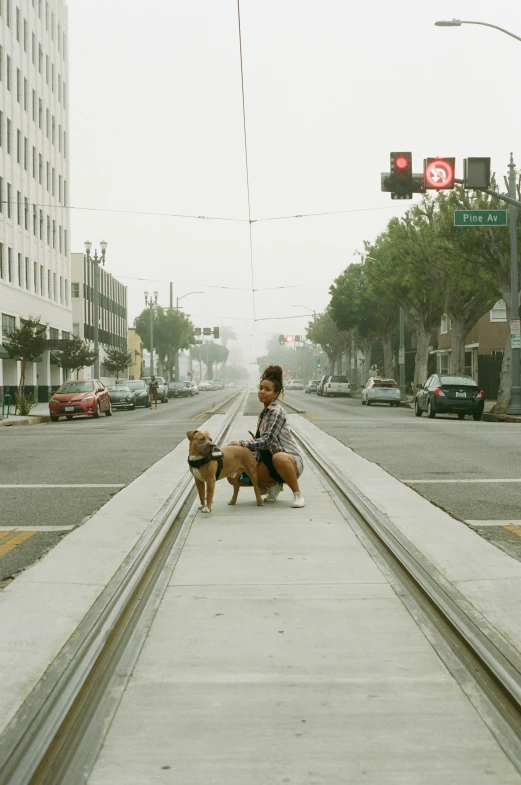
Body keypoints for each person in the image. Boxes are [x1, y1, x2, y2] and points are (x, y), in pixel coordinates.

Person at [229, 365, 305, 508]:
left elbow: (266, 441)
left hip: (289, 460)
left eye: (267, 390)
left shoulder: (276, 411)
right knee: (236, 477)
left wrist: (242, 443)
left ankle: (297, 494)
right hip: (270, 461)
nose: (262, 392)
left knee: (279, 457)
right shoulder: (264, 413)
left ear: (276, 394)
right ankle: (273, 485)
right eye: (261, 388)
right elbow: (260, 445)